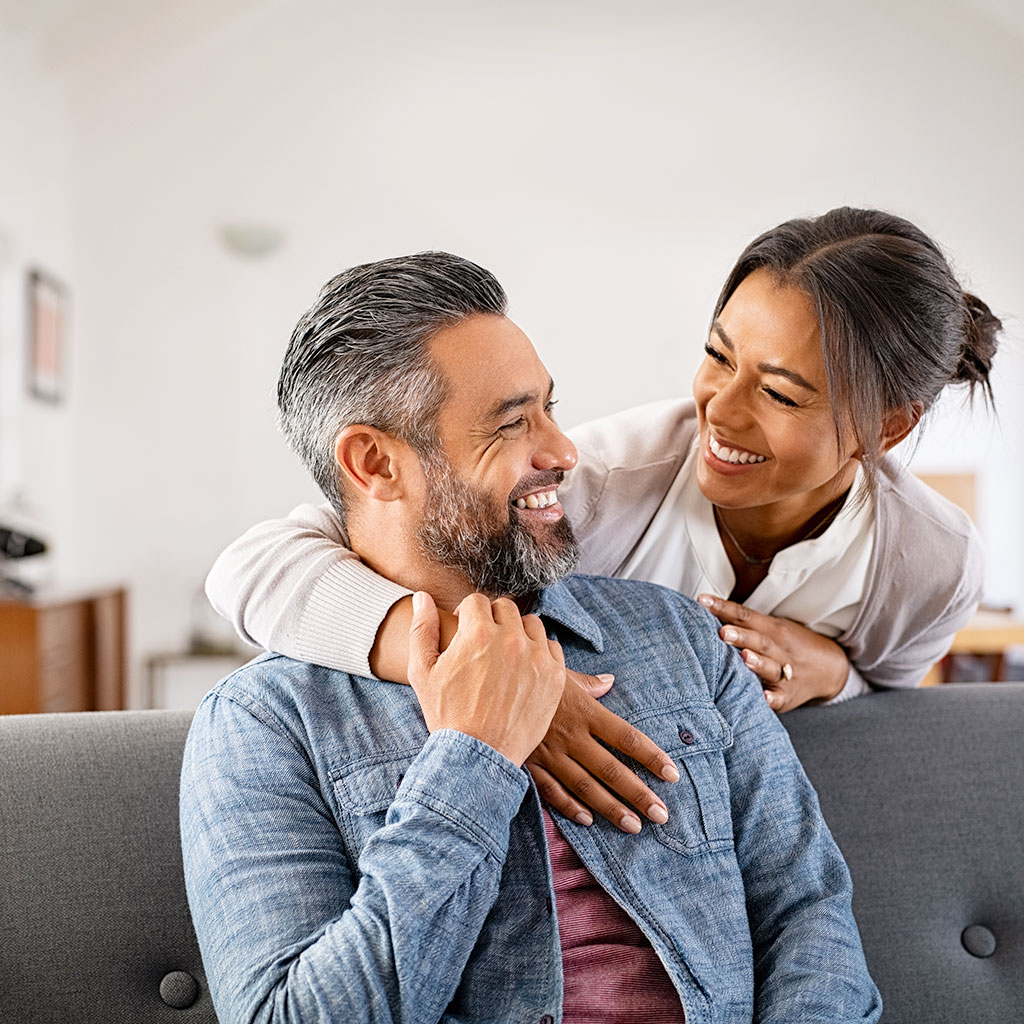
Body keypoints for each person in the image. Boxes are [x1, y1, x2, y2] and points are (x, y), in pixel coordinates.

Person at [180, 252, 881, 1022]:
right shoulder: (265, 724)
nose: (564, 451)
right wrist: (470, 760)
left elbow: (808, 910)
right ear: (375, 463)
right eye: (514, 423)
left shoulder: (681, 636)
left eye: (550, 408)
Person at [204, 208, 1000, 832]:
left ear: (886, 428)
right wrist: (496, 677)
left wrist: (837, 675)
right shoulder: (602, 482)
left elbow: (892, 709)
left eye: (781, 393)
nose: (718, 410)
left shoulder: (931, 564)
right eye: (717, 355)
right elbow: (254, 567)